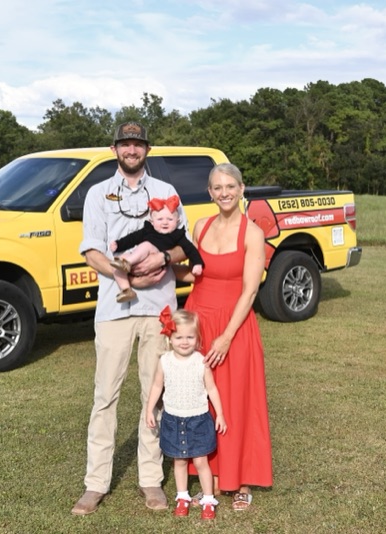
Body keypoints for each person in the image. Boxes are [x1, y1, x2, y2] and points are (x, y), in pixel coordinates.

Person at [71, 121, 190, 516]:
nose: (132, 150)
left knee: (154, 396)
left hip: (158, 309)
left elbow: (182, 246)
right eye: (125, 144)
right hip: (114, 309)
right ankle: (95, 483)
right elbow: (92, 252)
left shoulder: (166, 192)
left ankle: (150, 479)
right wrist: (128, 276)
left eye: (138, 144)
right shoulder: (97, 194)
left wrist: (163, 258)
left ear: (147, 149)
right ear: (114, 149)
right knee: (105, 396)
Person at [178, 162, 273, 511]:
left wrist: (227, 337)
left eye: (230, 186)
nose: (224, 193)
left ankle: (242, 479)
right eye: (217, 187)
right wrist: (156, 266)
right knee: (199, 400)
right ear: (209, 192)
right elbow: (195, 274)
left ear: (242, 188)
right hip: (199, 323)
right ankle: (211, 474)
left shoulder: (252, 233)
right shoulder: (200, 226)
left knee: (237, 400)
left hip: (235, 326)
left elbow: (250, 291)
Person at [145, 307, 227, 520]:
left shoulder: (201, 361)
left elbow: (212, 389)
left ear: (197, 338)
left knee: (201, 462)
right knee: (179, 462)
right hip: (173, 419)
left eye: (190, 337)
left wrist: (220, 414)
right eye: (179, 337)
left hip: (198, 420)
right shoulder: (165, 361)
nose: (184, 342)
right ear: (170, 338)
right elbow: (157, 386)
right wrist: (149, 409)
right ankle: (182, 497)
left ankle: (208, 499)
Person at [110, 195, 204, 303]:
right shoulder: (147, 230)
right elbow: (132, 238)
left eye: (170, 219)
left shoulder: (177, 235)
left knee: (146, 245)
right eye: (160, 219)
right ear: (152, 221)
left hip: (155, 259)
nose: (165, 222)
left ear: (178, 221)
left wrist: (197, 263)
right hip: (137, 260)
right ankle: (126, 290)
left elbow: (190, 249)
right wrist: (118, 244)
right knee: (117, 263)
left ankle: (126, 263)